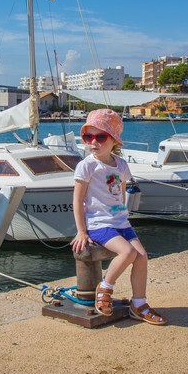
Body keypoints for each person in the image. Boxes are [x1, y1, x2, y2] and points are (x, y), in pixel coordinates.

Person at [70, 108, 167, 325]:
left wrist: (122, 217)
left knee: (141, 257)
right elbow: (77, 200)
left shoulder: (121, 165)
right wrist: (81, 231)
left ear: (114, 140)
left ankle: (139, 304)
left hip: (120, 223)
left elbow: (120, 193)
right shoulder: (87, 166)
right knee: (128, 252)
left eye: (100, 137)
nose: (93, 142)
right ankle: (105, 288)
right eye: (88, 137)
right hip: (99, 224)